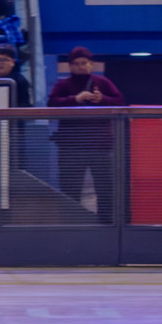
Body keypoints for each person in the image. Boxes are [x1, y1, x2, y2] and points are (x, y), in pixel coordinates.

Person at [47, 46, 125, 222]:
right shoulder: (63, 85)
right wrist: (75, 99)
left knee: (105, 186)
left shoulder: (103, 83)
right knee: (70, 185)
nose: (81, 67)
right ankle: (70, 222)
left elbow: (119, 100)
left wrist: (102, 99)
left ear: (91, 64)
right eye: (77, 64)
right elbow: (51, 104)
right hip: (71, 147)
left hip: (101, 145)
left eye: (85, 63)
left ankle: (107, 222)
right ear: (70, 66)